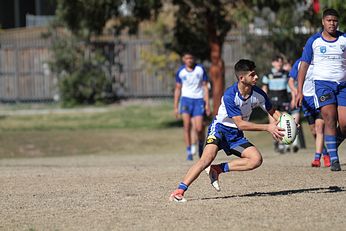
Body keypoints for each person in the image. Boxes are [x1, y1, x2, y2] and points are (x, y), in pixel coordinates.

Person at [169, 59, 284, 202]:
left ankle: (217, 169)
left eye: (256, 74)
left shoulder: (259, 94)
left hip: (235, 135)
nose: (256, 77)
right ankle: (179, 191)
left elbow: (273, 112)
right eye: (252, 75)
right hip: (220, 130)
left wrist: (289, 122)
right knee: (206, 159)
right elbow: (241, 124)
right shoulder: (230, 95)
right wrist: (268, 127)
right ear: (242, 78)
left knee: (256, 160)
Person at [296, 8, 346, 171]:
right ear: (323, 22)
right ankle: (334, 159)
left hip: (343, 85)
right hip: (323, 85)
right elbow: (304, 65)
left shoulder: (344, 39)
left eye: (335, 20)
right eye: (329, 20)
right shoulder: (314, 41)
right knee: (330, 118)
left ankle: (333, 143)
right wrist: (299, 90)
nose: (332, 23)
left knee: (344, 123)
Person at [289, 57, 330, 167]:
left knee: (319, 128)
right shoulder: (299, 63)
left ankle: (317, 158)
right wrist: (296, 93)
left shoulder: (320, 61)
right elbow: (291, 81)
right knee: (314, 131)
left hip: (320, 100)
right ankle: (326, 154)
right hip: (306, 102)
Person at [174, 52, 211, 161]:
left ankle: (200, 145)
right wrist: (175, 106)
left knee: (199, 128)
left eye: (191, 58)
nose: (189, 60)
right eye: (187, 58)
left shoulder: (200, 69)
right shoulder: (180, 72)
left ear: (194, 59)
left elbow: (205, 87)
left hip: (198, 100)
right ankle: (189, 151)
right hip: (185, 100)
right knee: (186, 126)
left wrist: (207, 104)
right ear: (183, 59)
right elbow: (177, 89)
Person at [261, 54, 290, 153]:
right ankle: (276, 142)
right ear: (273, 63)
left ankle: (282, 144)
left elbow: (290, 86)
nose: (279, 64)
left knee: (284, 122)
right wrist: (263, 100)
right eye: (277, 61)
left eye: (280, 62)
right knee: (273, 123)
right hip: (272, 101)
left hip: (284, 100)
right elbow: (264, 88)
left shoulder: (286, 74)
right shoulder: (267, 74)